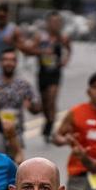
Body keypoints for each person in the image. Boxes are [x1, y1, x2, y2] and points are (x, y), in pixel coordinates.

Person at [32, 11, 71, 140]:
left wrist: (65, 60)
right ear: (47, 23)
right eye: (53, 22)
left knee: (52, 99)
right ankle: (48, 119)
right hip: (43, 72)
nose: (55, 24)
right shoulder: (40, 37)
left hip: (55, 73)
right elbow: (32, 49)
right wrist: (42, 51)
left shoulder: (63, 38)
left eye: (58, 22)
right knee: (45, 102)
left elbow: (69, 50)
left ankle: (49, 126)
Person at [0, 48, 41, 146]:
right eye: (5, 60)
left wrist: (31, 106)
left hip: (16, 134)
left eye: (12, 60)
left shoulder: (23, 85)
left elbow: (37, 108)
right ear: (0, 62)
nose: (9, 63)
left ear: (16, 62)